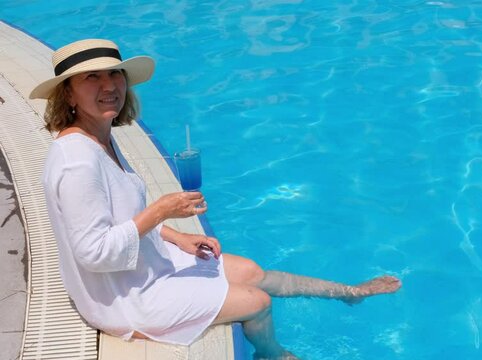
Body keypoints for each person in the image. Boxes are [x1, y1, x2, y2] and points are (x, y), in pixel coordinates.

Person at [31, 39, 401, 360]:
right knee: (257, 302)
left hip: (142, 265)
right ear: (68, 92)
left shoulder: (100, 136)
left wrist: (178, 236)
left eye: (115, 75)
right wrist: (161, 211)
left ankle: (348, 293)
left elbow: (117, 219)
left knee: (252, 272)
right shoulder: (78, 161)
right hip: (123, 299)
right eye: (91, 77)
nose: (108, 85)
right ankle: (271, 354)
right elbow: (94, 253)